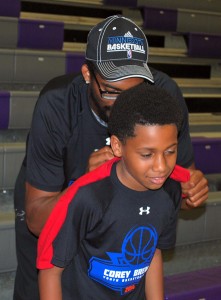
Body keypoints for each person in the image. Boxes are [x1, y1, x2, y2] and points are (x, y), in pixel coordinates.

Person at [13, 15, 208, 300]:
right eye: (112, 92)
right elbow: (37, 220)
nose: (124, 106)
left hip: (122, 240)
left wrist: (192, 191)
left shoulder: (163, 97)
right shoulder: (57, 105)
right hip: (56, 211)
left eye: (135, 90)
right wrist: (84, 181)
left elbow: (175, 188)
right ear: (88, 74)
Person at [37, 83, 190, 300]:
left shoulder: (170, 191)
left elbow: (152, 252)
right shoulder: (88, 196)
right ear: (117, 146)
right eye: (147, 154)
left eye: (170, 151)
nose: (161, 166)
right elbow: (50, 270)